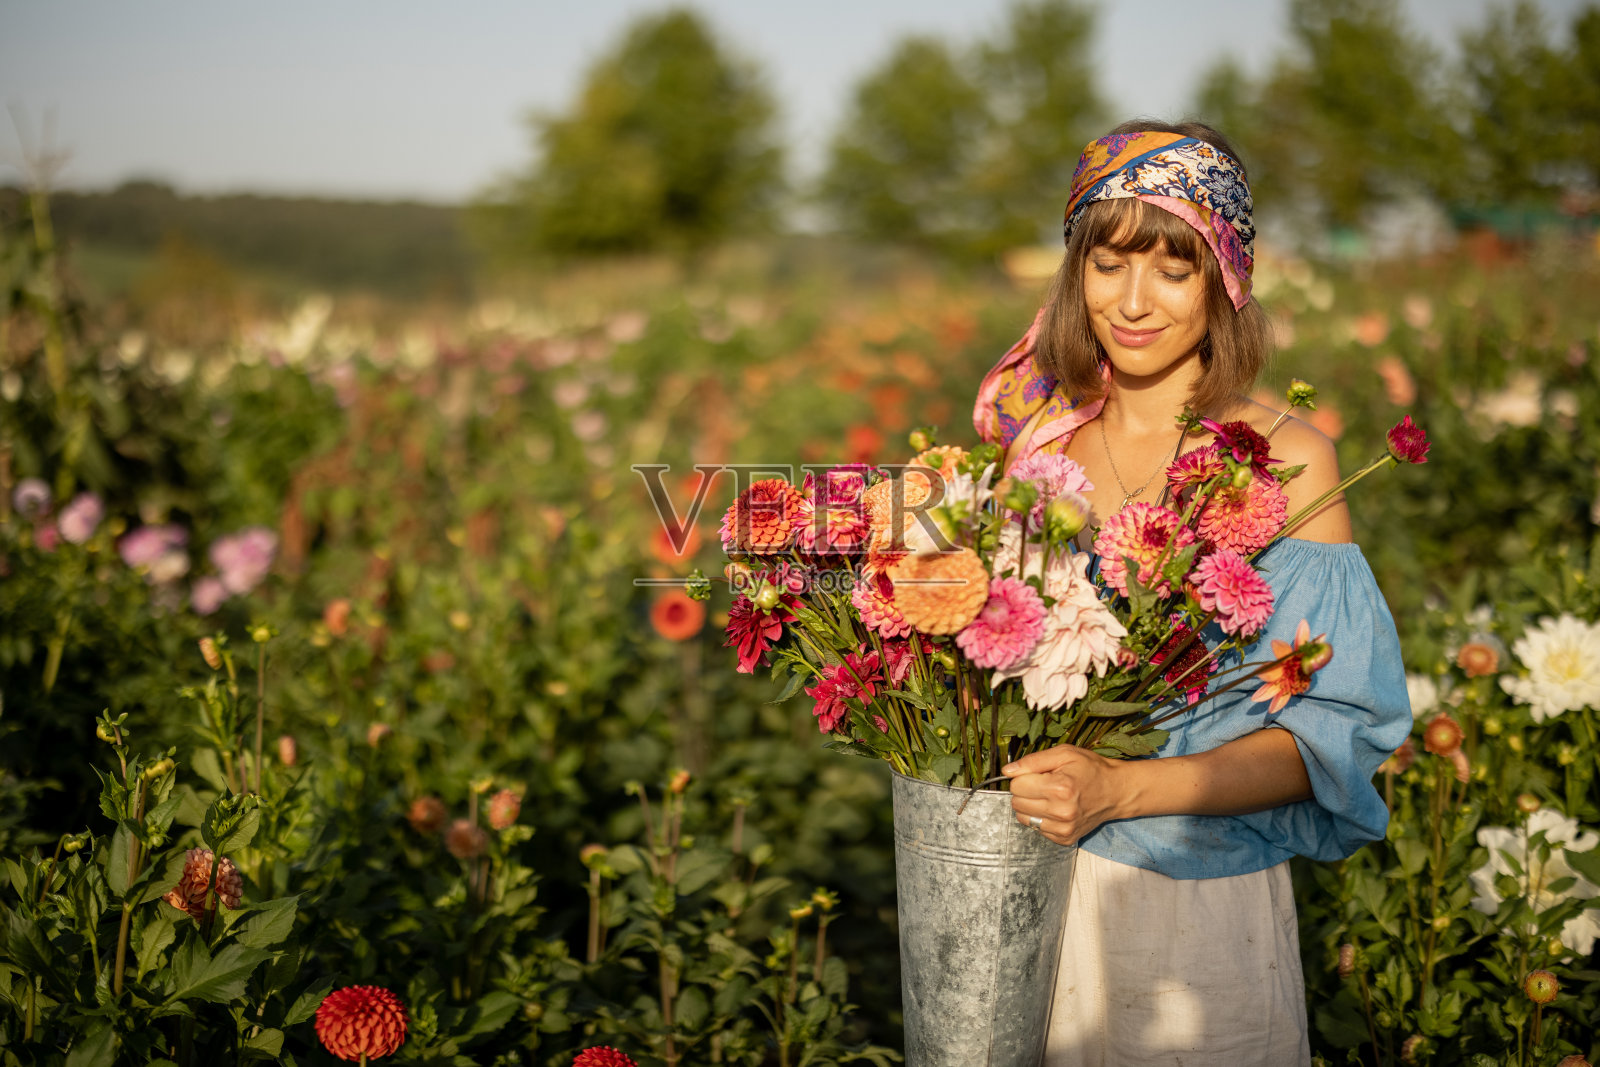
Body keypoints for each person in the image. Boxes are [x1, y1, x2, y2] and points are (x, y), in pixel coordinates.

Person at [973, 120, 1411, 1064]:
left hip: (1197, 906)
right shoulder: (1035, 455)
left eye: (1173, 268)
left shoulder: (1291, 461)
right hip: (1028, 886)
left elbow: (1326, 732)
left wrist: (1123, 787)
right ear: (1073, 272)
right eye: (1108, 262)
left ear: (1225, 278)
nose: (1133, 302)